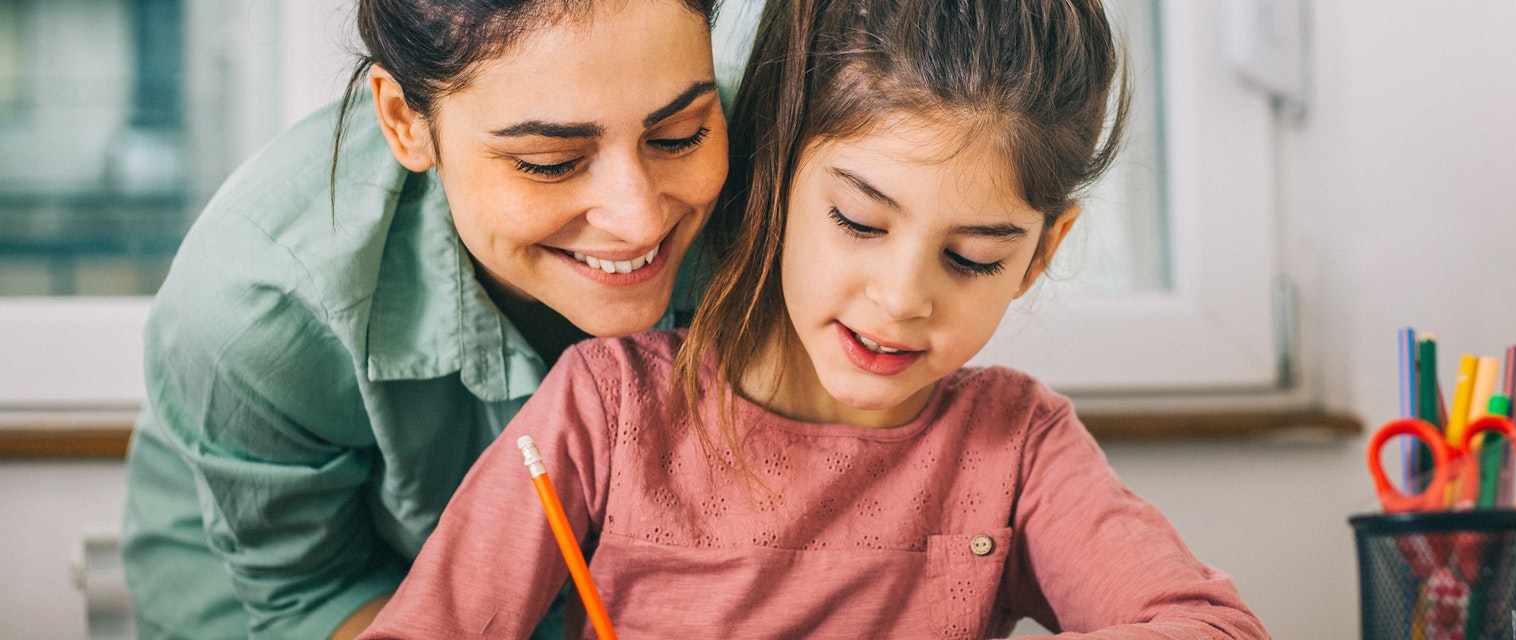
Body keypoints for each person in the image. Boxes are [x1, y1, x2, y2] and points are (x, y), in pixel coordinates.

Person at [359, 0, 1270, 636]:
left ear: (1041, 251)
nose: (902, 298)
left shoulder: (1017, 447)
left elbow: (1211, 628)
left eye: (974, 258)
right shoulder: (611, 408)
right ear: (774, 170)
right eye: (859, 222)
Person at [120, 1, 728, 637]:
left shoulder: (782, 176)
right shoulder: (258, 304)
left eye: (679, 134)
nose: (638, 219)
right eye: (551, 161)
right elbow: (314, 593)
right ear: (404, 120)